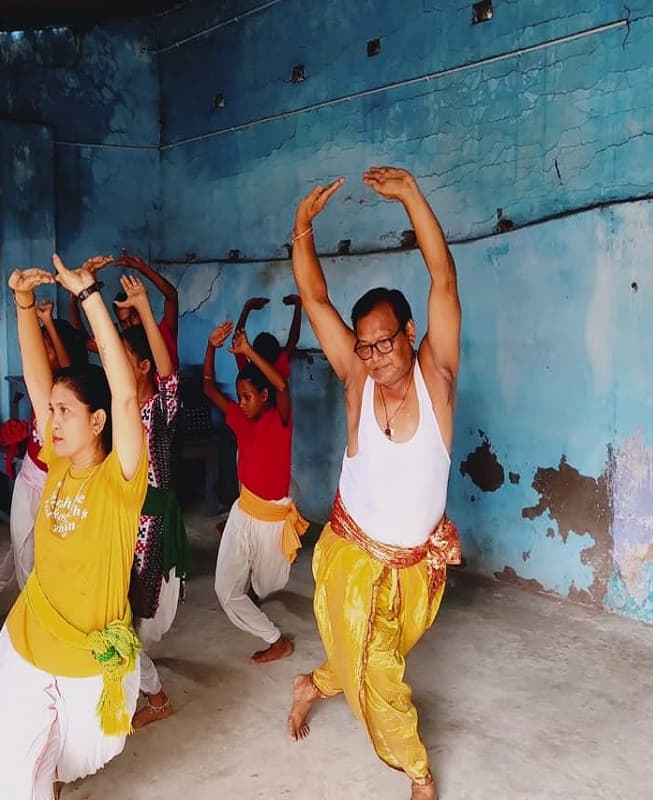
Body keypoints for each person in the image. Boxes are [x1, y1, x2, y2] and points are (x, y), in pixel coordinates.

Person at [284, 167, 463, 800]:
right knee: (378, 667)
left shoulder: (436, 379)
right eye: (364, 346)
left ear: (409, 334)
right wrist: (302, 229)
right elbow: (315, 301)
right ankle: (417, 772)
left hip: (415, 569)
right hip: (352, 557)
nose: (375, 356)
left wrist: (411, 195)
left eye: (385, 342)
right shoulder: (357, 376)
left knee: (368, 650)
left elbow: (444, 280)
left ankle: (312, 683)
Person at [0, 255, 148, 799]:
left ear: (97, 421)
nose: (51, 421)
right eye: (51, 412)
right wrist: (23, 306)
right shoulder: (57, 462)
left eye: (65, 412)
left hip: (87, 664)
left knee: (70, 760)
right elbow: (39, 380)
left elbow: (124, 394)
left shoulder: (120, 481)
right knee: (18, 778)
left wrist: (89, 297)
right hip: (31, 642)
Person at [202, 320, 307, 664]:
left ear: (264, 396)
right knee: (226, 589)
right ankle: (276, 640)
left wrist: (247, 350)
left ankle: (258, 594)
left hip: (272, 521)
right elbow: (208, 388)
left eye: (248, 397)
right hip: (243, 512)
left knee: (267, 583)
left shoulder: (280, 420)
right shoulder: (239, 418)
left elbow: (281, 386)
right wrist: (211, 346)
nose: (242, 403)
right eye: (240, 397)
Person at [113, 274, 187, 730]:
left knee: (127, 621)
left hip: (149, 528)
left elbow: (168, 373)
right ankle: (142, 686)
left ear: (141, 367)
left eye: (122, 359)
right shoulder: (115, 410)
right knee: (116, 615)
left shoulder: (159, 408)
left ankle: (156, 697)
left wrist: (143, 306)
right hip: (120, 522)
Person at [0, 299, 87, 614]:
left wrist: (49, 322)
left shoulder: (71, 391)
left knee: (39, 552)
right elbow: (33, 354)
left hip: (58, 488)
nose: (42, 354)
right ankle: (3, 594)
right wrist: (33, 317)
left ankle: (35, 610)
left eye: (48, 348)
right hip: (30, 478)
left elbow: (66, 368)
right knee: (21, 547)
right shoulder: (42, 386)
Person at [70, 253, 180, 367]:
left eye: (133, 317)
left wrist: (142, 267)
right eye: (123, 322)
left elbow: (172, 297)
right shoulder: (122, 349)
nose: (130, 324)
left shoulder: (163, 335)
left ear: (142, 310)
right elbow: (83, 340)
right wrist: (73, 300)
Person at [233, 293, 302, 382]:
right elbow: (293, 339)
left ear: (253, 352)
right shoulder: (278, 368)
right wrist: (298, 304)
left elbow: (237, 340)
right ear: (278, 354)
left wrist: (247, 306)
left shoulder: (248, 372)